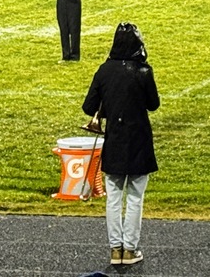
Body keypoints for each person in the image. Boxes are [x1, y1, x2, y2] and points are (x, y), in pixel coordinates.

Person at [82, 22, 160, 267]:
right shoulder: (143, 71)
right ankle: (131, 249)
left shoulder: (104, 70)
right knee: (135, 197)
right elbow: (153, 104)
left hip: (114, 139)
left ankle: (115, 249)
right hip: (138, 139)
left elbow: (88, 106)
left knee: (114, 197)